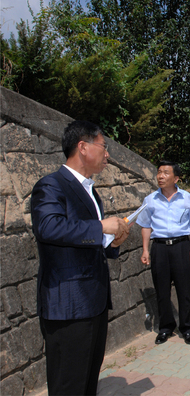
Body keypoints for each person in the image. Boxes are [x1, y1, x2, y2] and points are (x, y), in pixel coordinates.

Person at [31, 120, 130, 395]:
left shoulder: (91, 190)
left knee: (87, 381)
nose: (107, 154)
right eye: (104, 146)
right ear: (83, 147)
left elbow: (89, 240)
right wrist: (101, 227)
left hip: (93, 301)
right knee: (68, 384)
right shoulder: (51, 185)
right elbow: (48, 228)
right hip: (68, 304)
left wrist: (113, 241)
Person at [137, 161, 190, 346]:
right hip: (159, 248)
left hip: (181, 246)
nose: (160, 176)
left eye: (165, 173)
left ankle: (187, 328)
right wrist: (145, 249)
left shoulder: (187, 198)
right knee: (162, 291)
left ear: (176, 178)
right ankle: (166, 328)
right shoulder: (150, 200)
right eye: (159, 172)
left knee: (185, 290)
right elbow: (145, 225)